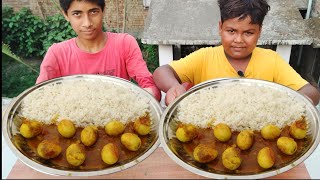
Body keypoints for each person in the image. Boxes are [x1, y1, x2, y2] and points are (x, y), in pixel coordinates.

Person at [153, 0, 320, 106]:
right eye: (231, 31)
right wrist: (174, 87)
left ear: (259, 31)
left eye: (248, 33)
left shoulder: (272, 60)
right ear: (220, 28)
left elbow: (310, 91)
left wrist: (292, 103)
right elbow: (162, 72)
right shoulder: (205, 57)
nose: (239, 40)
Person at [36, 0, 161, 101]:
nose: (87, 23)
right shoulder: (57, 53)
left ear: (103, 10)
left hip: (118, 122)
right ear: (65, 14)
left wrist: (149, 94)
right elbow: (39, 96)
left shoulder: (124, 43)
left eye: (93, 12)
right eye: (77, 14)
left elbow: (148, 84)